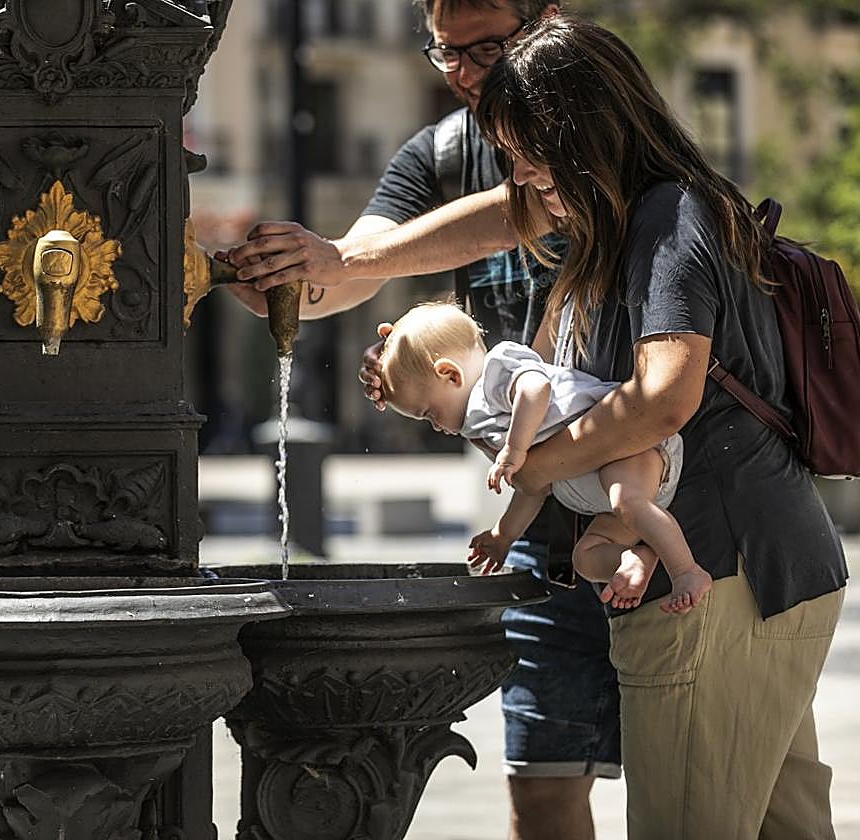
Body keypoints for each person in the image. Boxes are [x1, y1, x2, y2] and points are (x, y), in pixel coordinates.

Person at [222, 3, 625, 838]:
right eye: (448, 52)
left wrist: (349, 261)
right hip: (541, 534)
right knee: (543, 788)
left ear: (546, 21)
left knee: (701, 786)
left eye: (491, 47)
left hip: (648, 499)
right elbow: (362, 261)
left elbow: (515, 213)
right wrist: (294, 279)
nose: (470, 71)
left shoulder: (598, 130)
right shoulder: (440, 151)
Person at [466, 16, 847, 837]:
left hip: (716, 579)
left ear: (587, 130)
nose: (523, 174)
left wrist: (537, 468)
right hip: (769, 570)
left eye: (530, 148)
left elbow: (664, 396)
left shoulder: (664, 221)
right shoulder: (653, 219)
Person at [377, 301, 710, 613]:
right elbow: (535, 486)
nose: (435, 426)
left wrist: (515, 449)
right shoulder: (483, 423)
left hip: (627, 449)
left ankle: (686, 571)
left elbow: (536, 389)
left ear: (451, 375)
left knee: (629, 502)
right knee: (586, 557)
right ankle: (633, 558)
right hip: (600, 483)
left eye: (429, 412)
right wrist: (503, 534)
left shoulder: (496, 370)